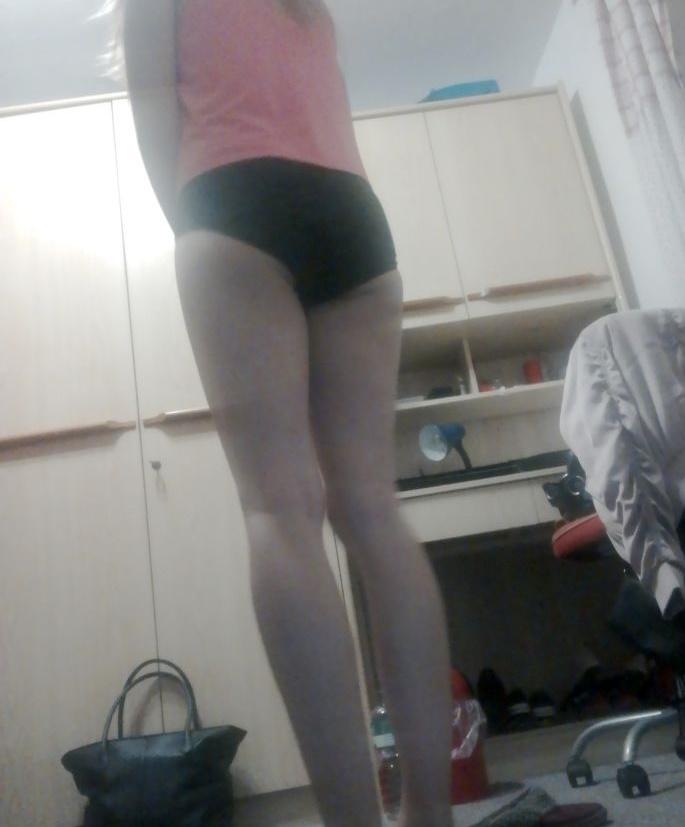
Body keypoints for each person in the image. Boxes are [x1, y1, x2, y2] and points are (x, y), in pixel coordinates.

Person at [121, 2, 454, 826]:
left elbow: (153, 104)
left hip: (231, 192)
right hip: (352, 214)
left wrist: (197, 227)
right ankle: (431, 811)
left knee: (279, 507)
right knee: (372, 509)